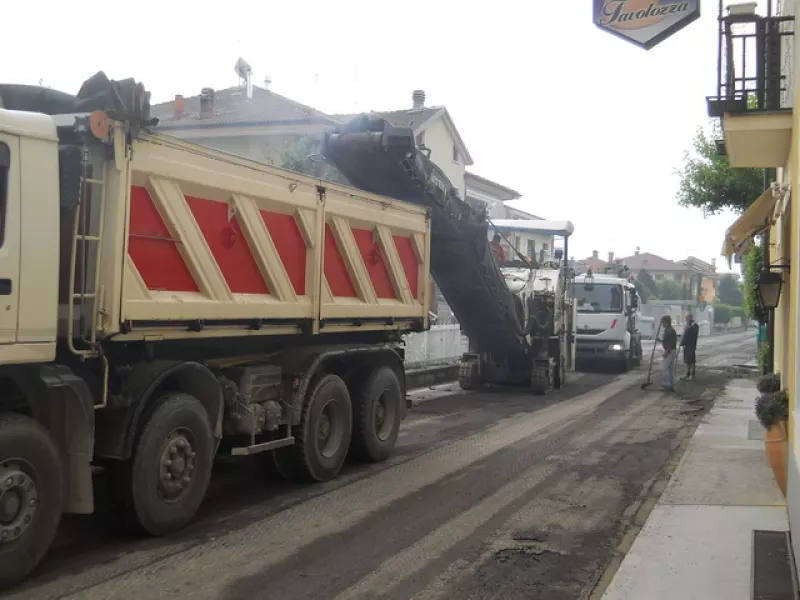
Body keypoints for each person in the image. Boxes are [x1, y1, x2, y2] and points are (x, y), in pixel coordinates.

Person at [680, 311, 700, 380]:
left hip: (691, 345)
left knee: (692, 360)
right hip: (686, 345)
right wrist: (682, 343)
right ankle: (687, 373)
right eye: (685, 317)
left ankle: (692, 374)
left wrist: (689, 328)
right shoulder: (687, 325)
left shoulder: (694, 325)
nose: (685, 319)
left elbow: (694, 333)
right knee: (687, 360)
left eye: (686, 317)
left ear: (690, 317)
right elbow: (684, 335)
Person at [660, 315, 678, 392]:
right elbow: (666, 341)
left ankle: (667, 384)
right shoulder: (669, 330)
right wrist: (660, 341)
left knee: (665, 368)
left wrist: (666, 352)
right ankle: (671, 385)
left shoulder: (670, 331)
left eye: (663, 322)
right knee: (670, 369)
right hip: (671, 351)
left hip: (670, 351)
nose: (662, 324)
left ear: (667, 322)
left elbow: (670, 343)